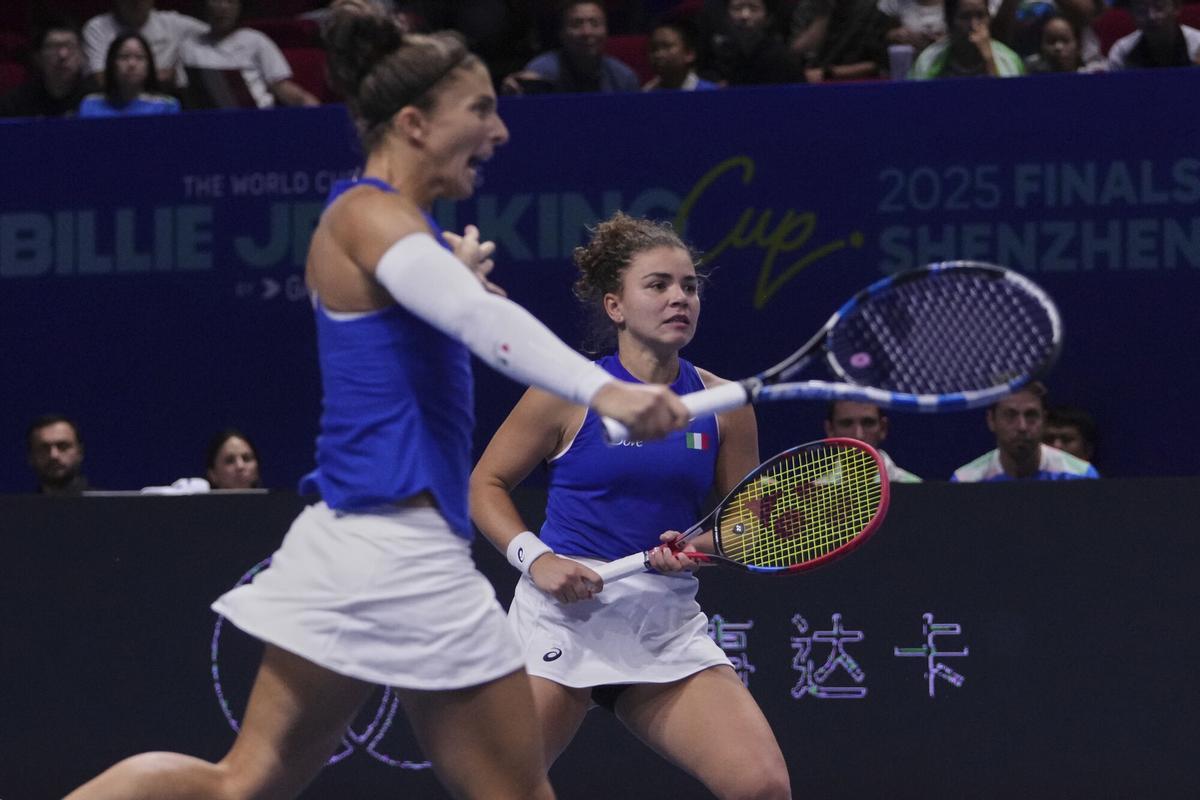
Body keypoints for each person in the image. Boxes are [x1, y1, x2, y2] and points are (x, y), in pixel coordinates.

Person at [65, 5, 687, 799]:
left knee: (243, 783)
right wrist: (606, 389)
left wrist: (453, 273)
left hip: (358, 540)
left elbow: (445, 305)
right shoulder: (368, 214)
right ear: (415, 123)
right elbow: (477, 318)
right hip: (399, 548)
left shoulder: (397, 229)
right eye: (481, 110)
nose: (499, 133)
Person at [469, 212, 792, 800]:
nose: (680, 298)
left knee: (761, 787)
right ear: (615, 306)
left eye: (690, 286)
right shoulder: (565, 393)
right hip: (561, 621)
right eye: (659, 285)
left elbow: (740, 525)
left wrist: (693, 548)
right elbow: (483, 485)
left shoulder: (724, 405)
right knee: (502, 790)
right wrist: (538, 560)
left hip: (661, 626)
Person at [180, 0, 320, 109]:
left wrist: (318, 111)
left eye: (231, 2)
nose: (223, 7)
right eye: (216, 1)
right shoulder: (190, 45)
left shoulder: (256, 40)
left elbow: (281, 86)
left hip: (256, 119)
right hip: (209, 120)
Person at [951, 383, 1098, 481]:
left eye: (1031, 415)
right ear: (991, 421)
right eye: (1010, 415)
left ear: (1044, 420)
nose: (1022, 426)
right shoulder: (966, 480)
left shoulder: (1082, 476)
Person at [501, 1, 639, 95]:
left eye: (595, 24)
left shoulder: (624, 78)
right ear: (561, 34)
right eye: (576, 24)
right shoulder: (540, 72)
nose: (587, 32)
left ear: (606, 31)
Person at [82, 0, 207, 90]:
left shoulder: (175, 24)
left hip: (167, 100)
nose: (136, 3)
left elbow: (219, 34)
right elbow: (100, 80)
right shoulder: (97, 27)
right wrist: (159, 76)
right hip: (115, 103)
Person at [0, 16, 98, 118]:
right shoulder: (14, 104)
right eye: (53, 47)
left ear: (82, 55)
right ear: (38, 57)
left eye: (70, 46)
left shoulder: (96, 99)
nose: (62, 55)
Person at [910, 0, 1025, 77]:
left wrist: (989, 60)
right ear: (950, 21)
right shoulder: (928, 60)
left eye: (980, 16)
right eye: (965, 17)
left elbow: (1008, 105)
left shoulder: (1008, 61)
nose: (974, 25)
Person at [78, 32, 181, 117]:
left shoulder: (167, 106)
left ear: (149, 65)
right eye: (124, 57)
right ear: (112, 63)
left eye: (140, 57)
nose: (132, 64)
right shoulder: (90, 104)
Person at [789, 0, 894, 82]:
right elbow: (794, 52)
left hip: (856, 85)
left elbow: (878, 64)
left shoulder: (871, 10)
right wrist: (822, 16)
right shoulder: (806, 8)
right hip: (809, 83)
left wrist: (828, 73)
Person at [706, 0, 802, 85]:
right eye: (737, 8)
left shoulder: (782, 59)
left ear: (768, 18)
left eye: (754, 8)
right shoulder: (718, 56)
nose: (744, 16)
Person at [823, 400, 921, 482]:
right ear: (830, 430)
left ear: (883, 428)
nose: (859, 435)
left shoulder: (917, 488)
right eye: (846, 424)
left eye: (868, 423)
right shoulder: (813, 494)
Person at [1107, 0, 1200, 70]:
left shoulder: (1198, 44)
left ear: (1176, 7)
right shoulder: (1122, 52)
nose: (1151, 17)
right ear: (1131, 14)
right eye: (1141, 10)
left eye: (1159, 7)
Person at [643, 18, 720, 90]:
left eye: (667, 46)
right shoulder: (647, 93)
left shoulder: (710, 92)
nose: (658, 55)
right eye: (654, 48)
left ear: (689, 54)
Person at [27, 414, 90, 495]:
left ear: (80, 452)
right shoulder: (17, 507)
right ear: (31, 456)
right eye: (44, 448)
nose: (54, 455)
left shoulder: (106, 505)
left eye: (63, 446)